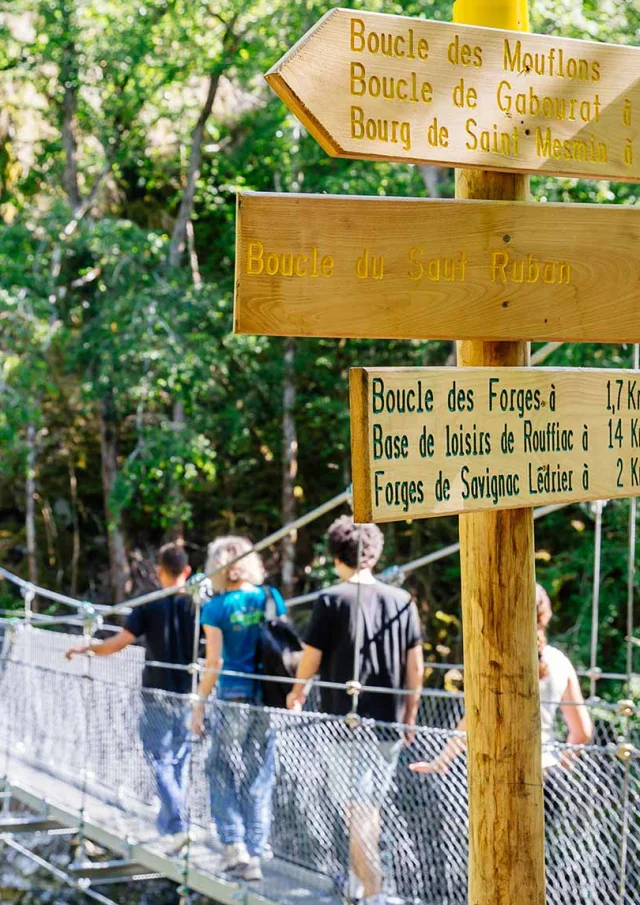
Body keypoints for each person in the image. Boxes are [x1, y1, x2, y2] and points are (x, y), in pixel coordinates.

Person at [410, 583, 594, 903]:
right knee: (538, 861)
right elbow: (583, 732)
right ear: (544, 616)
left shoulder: (497, 658)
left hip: (501, 775)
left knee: (497, 866)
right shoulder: (560, 661)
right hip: (548, 777)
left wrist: (443, 760)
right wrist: (561, 761)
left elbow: (473, 720)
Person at [286, 515, 424, 905]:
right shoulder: (402, 601)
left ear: (335, 555)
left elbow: (311, 658)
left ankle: (376, 894)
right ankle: (360, 884)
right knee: (367, 808)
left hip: (344, 725)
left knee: (357, 812)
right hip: (388, 726)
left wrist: (297, 693)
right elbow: (416, 666)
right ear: (374, 554)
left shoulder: (331, 600)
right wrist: (410, 714)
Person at [66, 543, 195, 854]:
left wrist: (88, 648)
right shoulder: (198, 604)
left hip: (156, 694)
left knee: (158, 758)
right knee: (179, 761)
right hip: (191, 695)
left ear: (159, 571)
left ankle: (178, 825)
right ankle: (172, 828)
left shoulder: (149, 605)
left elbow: (119, 644)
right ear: (187, 571)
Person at [193, 536, 286, 882]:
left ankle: (234, 846)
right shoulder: (269, 597)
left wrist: (199, 705)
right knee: (259, 774)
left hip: (232, 695)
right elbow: (286, 645)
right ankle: (256, 852)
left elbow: (213, 662)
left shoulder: (215, 607)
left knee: (219, 768)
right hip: (267, 696)